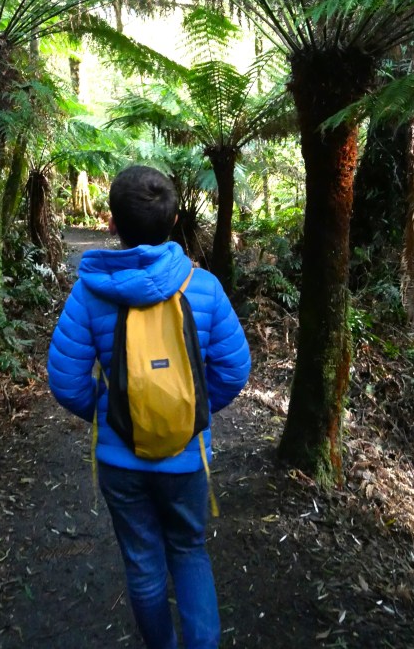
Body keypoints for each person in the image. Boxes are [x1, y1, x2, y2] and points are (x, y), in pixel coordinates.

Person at [48, 165, 251, 649]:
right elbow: (233, 370)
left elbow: (65, 379)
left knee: (143, 563)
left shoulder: (90, 291)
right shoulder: (204, 288)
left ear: (112, 223)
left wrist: (112, 410)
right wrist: (191, 409)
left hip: (121, 460)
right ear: (175, 218)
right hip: (186, 457)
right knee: (189, 551)